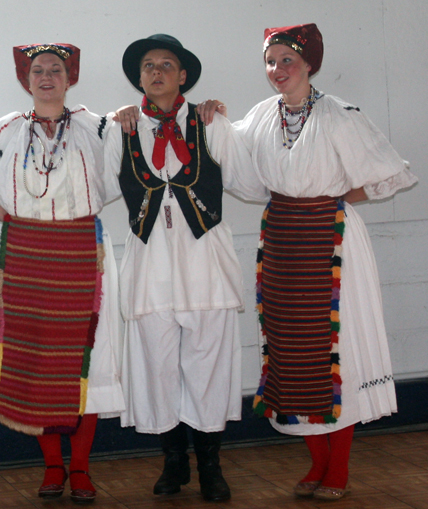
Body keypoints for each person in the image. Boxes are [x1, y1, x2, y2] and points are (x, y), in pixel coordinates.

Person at [198, 23, 418, 501]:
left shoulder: (340, 115)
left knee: (338, 351)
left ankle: (337, 467)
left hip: (331, 241)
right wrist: (215, 118)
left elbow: (390, 175)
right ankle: (316, 464)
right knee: (293, 350)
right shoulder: (261, 116)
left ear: (309, 64)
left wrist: (334, 197)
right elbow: (238, 161)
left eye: (286, 61)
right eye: (271, 61)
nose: (277, 70)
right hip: (282, 240)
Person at [0, 43, 125, 504]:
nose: (46, 77)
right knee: (34, 362)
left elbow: (139, 161)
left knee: (86, 365)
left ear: (69, 77)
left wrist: (134, 113)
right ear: (26, 79)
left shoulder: (98, 126)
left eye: (55, 70)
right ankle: (52, 467)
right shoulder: (7, 129)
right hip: (27, 257)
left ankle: (80, 469)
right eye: (37, 70)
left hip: (84, 256)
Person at [104, 34, 267, 502]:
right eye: (148, 66)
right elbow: (96, 187)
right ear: (139, 78)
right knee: (156, 367)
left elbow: (252, 184)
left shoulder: (211, 123)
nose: (157, 71)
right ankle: (173, 462)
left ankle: (211, 465)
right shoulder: (122, 128)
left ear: (183, 76)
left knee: (208, 368)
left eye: (166, 64)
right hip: (150, 265)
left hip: (205, 266)